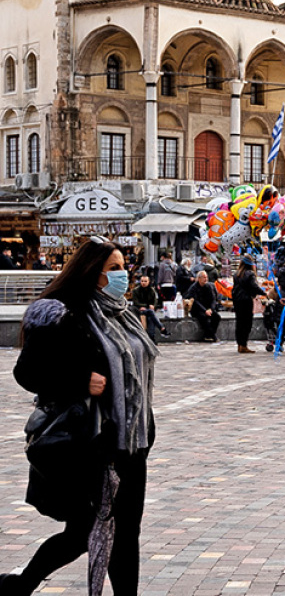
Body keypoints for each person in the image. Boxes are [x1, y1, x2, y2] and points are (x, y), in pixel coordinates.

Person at [0, 238, 156, 595]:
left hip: (132, 442)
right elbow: (27, 372)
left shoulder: (122, 313)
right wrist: (80, 380)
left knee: (126, 531)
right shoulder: (64, 313)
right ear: (92, 273)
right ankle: (20, 585)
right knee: (85, 530)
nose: (123, 275)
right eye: (114, 269)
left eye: (123, 267)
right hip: (90, 442)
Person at [232, 256, 266, 354]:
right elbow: (254, 286)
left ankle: (240, 345)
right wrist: (264, 293)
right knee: (247, 323)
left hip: (237, 300)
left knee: (239, 322)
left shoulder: (236, 274)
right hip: (246, 300)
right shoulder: (250, 274)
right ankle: (244, 345)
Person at [185, 270, 221, 342]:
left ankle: (208, 335)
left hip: (208, 308)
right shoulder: (193, 288)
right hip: (198, 309)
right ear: (199, 278)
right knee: (203, 318)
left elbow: (213, 299)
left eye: (206, 277)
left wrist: (211, 309)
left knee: (217, 317)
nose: (206, 279)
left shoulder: (209, 286)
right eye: (204, 277)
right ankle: (213, 336)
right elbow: (195, 301)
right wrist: (205, 310)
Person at [131, 273, 169, 341]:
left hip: (148, 311)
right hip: (139, 310)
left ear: (149, 282)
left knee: (150, 317)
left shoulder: (152, 290)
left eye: (145, 281)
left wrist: (153, 306)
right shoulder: (135, 290)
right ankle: (162, 328)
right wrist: (147, 306)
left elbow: (155, 301)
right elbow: (136, 302)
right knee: (151, 312)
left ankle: (151, 337)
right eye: (142, 281)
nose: (143, 283)